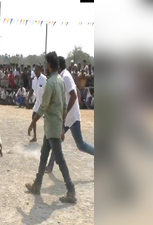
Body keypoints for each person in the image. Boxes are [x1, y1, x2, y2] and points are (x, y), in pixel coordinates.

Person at [26, 51, 76, 204]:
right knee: (43, 155)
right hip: (53, 126)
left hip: (52, 127)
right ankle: (37, 184)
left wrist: (33, 121)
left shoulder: (51, 82)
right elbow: (63, 106)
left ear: (48, 65)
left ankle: (71, 190)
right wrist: (62, 127)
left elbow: (43, 106)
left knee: (59, 159)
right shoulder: (60, 81)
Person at [45, 57, 95, 172]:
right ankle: (50, 166)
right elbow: (76, 91)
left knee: (81, 145)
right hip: (67, 117)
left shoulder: (65, 77)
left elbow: (73, 95)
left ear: (58, 67)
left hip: (71, 117)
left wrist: (65, 113)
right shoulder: (63, 76)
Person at [29, 63, 47, 142]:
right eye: (34, 70)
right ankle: (35, 136)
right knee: (33, 117)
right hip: (38, 101)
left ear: (40, 70)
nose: (35, 71)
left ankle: (47, 137)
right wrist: (28, 96)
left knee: (46, 120)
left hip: (45, 102)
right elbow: (32, 89)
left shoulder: (44, 79)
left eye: (36, 70)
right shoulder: (35, 79)